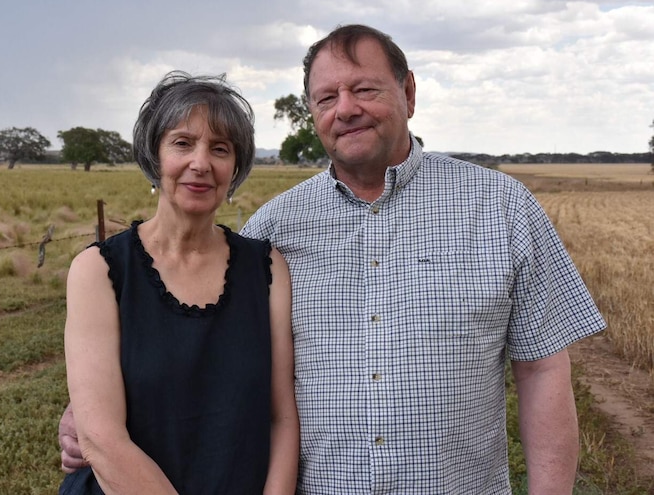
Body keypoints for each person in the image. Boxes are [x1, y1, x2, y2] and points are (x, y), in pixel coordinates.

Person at [61, 26, 606, 494]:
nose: (345, 108)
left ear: (408, 92)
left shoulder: (503, 208)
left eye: (364, 88)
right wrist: (90, 415)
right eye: (326, 98)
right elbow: (199, 355)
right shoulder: (272, 234)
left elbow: (541, 370)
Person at [60, 71, 299, 495]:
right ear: (155, 157)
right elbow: (101, 438)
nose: (201, 163)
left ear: (235, 168)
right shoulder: (99, 272)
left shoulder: (266, 269)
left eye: (220, 149)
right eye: (183, 143)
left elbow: (280, 417)